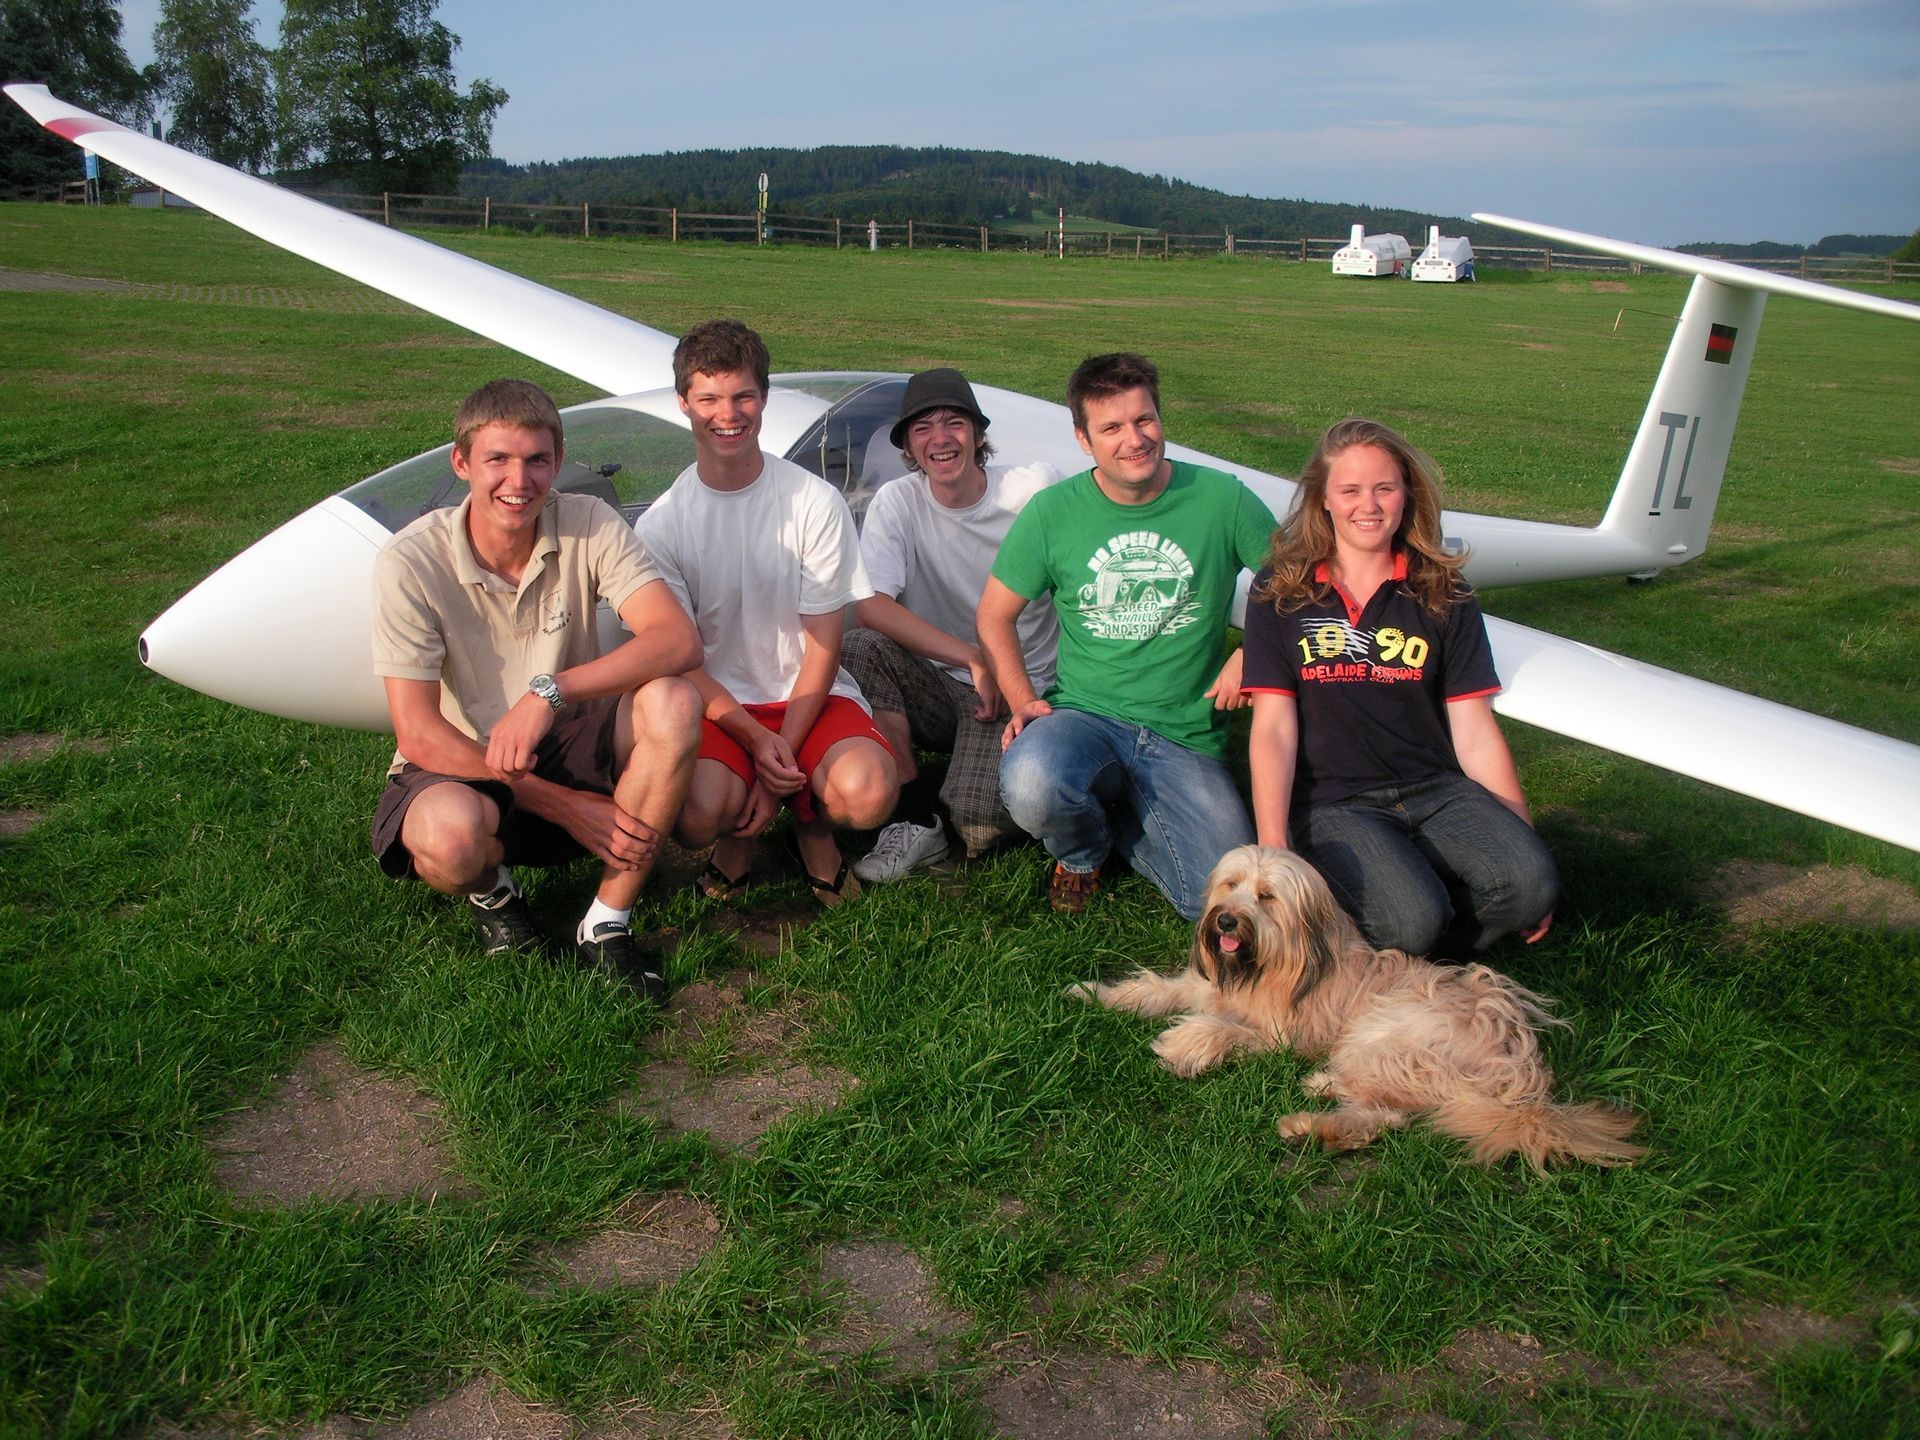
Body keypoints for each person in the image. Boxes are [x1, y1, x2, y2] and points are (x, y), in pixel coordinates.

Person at [371, 379, 704, 1004]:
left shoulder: (588, 521)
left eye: (537, 460)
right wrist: (564, 805)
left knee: (675, 701)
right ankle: (496, 893)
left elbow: (677, 640)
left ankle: (606, 922)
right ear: (461, 462)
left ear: (558, 461)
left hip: (568, 737)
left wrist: (549, 692)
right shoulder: (410, 560)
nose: (518, 481)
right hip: (463, 761)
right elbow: (417, 733)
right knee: (447, 842)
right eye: (497, 459)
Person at [1240, 416, 1559, 957]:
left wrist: (1526, 849)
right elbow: (1273, 728)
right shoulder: (1281, 588)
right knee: (1412, 923)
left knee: (1529, 886)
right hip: (1334, 802)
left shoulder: (1442, 589)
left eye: (1384, 488)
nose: (1368, 505)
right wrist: (1274, 849)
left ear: (1407, 494)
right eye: (1350, 490)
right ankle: (1414, 932)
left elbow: (1475, 731)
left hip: (1435, 789)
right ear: (1323, 499)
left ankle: (1410, 945)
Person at [977, 352, 1275, 920]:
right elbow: (993, 615)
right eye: (1112, 427)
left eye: (1144, 420)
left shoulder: (1222, 497)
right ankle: (1082, 852)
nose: (1134, 440)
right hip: (1085, 716)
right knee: (1033, 782)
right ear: (1083, 439)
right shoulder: (1052, 512)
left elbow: (1300, 585)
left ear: (1161, 419)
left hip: (1186, 732)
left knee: (1212, 900)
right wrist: (1022, 700)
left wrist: (1252, 653)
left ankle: (1119, 817)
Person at [636, 319, 898, 906]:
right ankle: (738, 836)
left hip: (810, 692)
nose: (727, 414)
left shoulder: (814, 501)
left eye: (743, 396)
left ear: (765, 397)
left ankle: (813, 831)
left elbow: (825, 643)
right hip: (721, 704)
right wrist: (756, 740)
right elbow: (679, 656)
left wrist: (777, 768)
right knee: (695, 816)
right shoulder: (662, 524)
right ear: (683, 403)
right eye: (708, 398)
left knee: (868, 794)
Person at [840, 368, 1061, 880]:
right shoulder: (898, 500)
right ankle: (915, 815)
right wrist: (971, 658)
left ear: (979, 435)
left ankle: (993, 775)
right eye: (922, 429)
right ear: (908, 447)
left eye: (954, 423)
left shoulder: (1034, 488)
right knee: (860, 646)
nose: (939, 439)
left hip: (1019, 685)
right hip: (941, 681)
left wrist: (1003, 673)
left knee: (978, 824)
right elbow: (871, 606)